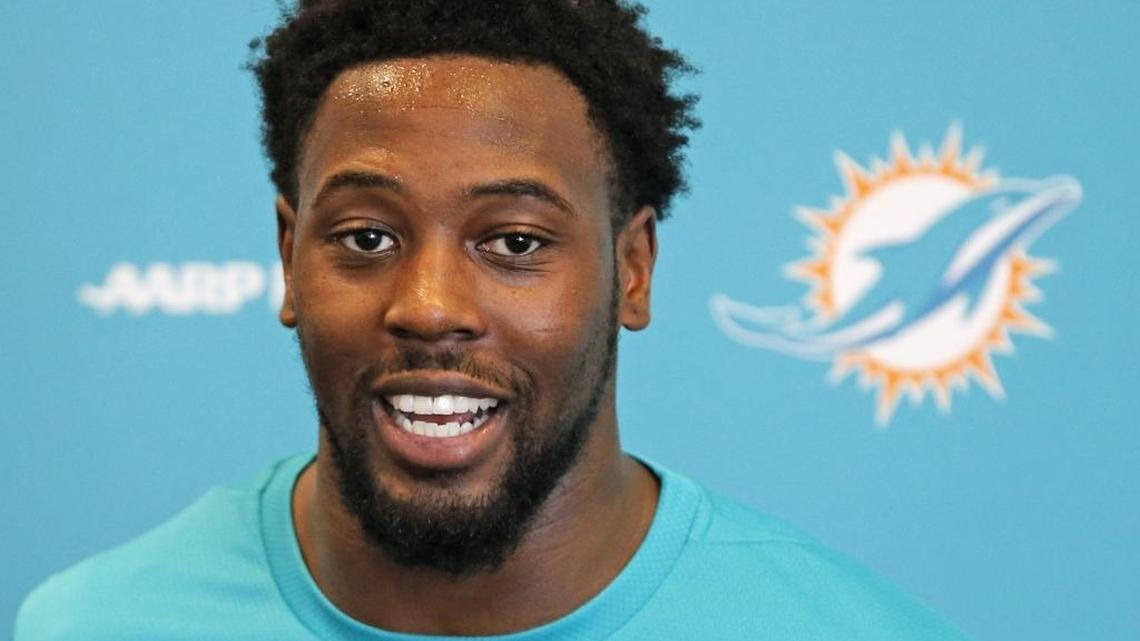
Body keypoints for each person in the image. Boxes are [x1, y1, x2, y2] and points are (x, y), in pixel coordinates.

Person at [15, 1, 973, 639]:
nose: (430, 306)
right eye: (365, 236)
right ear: (288, 257)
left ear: (632, 271)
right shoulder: (94, 624)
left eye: (513, 243)